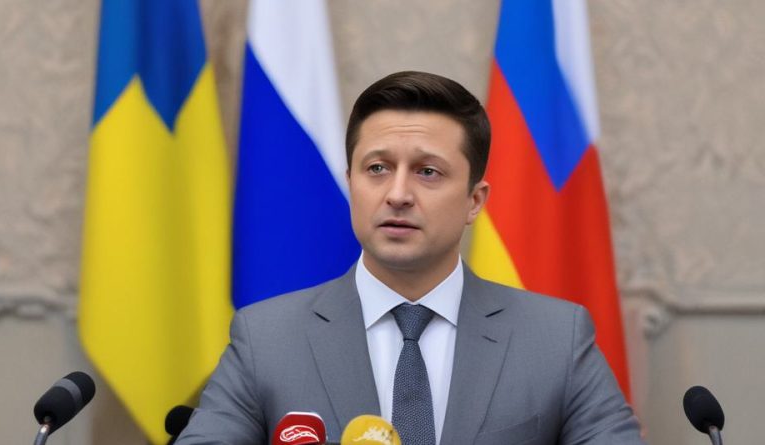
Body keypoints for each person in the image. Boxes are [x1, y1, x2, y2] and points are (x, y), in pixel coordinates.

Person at [176, 71, 644, 445]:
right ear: (351, 183)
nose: (397, 194)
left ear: (474, 202)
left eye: (428, 172)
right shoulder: (267, 339)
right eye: (377, 168)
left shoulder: (556, 339)